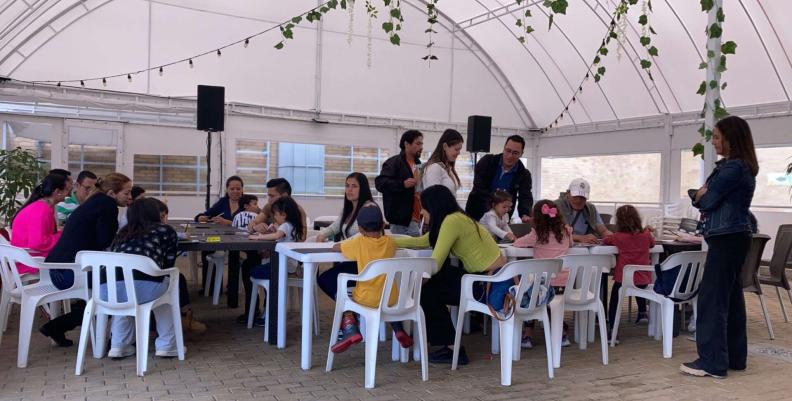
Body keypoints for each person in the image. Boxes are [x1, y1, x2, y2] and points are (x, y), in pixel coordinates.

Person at [680, 116, 758, 379]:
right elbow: (703, 195)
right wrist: (699, 193)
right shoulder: (738, 167)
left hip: (726, 238)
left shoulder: (733, 168)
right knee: (731, 299)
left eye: (716, 137)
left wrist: (700, 194)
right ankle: (735, 358)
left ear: (730, 138)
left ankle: (712, 362)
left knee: (712, 299)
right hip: (733, 237)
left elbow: (707, 200)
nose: (713, 142)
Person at [395, 185, 506, 365]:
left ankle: (452, 349)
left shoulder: (452, 221)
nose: (421, 211)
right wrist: (383, 240)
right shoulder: (458, 218)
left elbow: (436, 263)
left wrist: (415, 285)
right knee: (435, 283)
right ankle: (449, 345)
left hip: (485, 286)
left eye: (423, 206)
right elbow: (422, 241)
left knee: (428, 290)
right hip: (491, 279)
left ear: (434, 206)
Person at [39, 173, 133, 347]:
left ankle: (57, 327)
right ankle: (119, 339)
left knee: (112, 286)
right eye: (126, 193)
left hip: (58, 269)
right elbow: (104, 241)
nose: (130, 197)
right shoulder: (107, 205)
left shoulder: (94, 202)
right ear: (112, 193)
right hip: (70, 273)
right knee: (119, 285)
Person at [105, 198, 190, 358]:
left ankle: (119, 345)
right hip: (145, 287)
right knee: (168, 288)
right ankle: (167, 345)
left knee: (125, 292)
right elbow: (167, 264)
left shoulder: (122, 234)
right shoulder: (165, 230)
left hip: (106, 290)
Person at [329, 203, 413, 353]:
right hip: (392, 299)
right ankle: (398, 327)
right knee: (385, 298)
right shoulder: (390, 243)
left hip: (366, 299)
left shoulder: (358, 242)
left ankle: (350, 329)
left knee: (343, 296)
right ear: (382, 225)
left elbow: (337, 247)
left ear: (360, 229)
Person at [513, 199, 574, 349]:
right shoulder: (566, 230)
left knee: (530, 293)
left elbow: (517, 243)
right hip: (564, 284)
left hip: (543, 287)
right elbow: (571, 244)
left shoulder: (537, 234)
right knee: (547, 299)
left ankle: (528, 335)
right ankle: (561, 334)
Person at [246, 197, 305, 326]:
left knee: (253, 270)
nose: (274, 217)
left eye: (276, 215)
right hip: (290, 265)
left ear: (283, 214)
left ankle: (268, 313)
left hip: (282, 266)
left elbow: (277, 236)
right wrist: (273, 229)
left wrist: (259, 237)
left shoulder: (285, 225)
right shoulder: (293, 225)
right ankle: (268, 312)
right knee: (261, 267)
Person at [316, 173, 374, 300]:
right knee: (325, 279)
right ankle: (350, 312)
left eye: (354, 186)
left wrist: (342, 244)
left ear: (363, 188)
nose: (349, 190)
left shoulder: (369, 207)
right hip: (352, 259)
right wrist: (321, 235)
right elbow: (335, 226)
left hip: (366, 263)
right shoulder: (348, 208)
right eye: (347, 186)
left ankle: (349, 311)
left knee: (327, 280)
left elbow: (364, 235)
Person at [603, 205, 655, 339]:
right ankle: (642, 312)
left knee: (614, 300)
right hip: (644, 279)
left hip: (624, 280)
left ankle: (612, 331)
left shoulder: (618, 237)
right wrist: (647, 231)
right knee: (639, 286)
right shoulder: (646, 235)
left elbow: (606, 240)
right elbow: (652, 243)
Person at [194, 176, 244, 306]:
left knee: (234, 255)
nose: (235, 191)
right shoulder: (222, 202)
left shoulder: (247, 203)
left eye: (238, 188)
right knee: (206, 247)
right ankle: (209, 288)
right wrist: (201, 217)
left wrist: (229, 222)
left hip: (241, 240)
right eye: (232, 188)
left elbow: (252, 223)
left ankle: (232, 294)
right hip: (221, 237)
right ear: (227, 189)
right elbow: (207, 214)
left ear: (242, 190)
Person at [465, 135, 533, 223]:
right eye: (508, 151)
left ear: (521, 153)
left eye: (515, 153)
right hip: (476, 214)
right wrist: (494, 208)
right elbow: (479, 188)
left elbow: (525, 196)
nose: (510, 156)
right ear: (504, 148)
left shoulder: (524, 174)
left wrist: (525, 214)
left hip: (502, 218)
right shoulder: (486, 162)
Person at [10, 174, 69, 274]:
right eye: (67, 190)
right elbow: (37, 243)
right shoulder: (41, 209)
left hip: (27, 259)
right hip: (30, 263)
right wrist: (61, 234)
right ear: (57, 192)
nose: (69, 194)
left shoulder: (41, 206)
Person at [375, 130, 423, 236]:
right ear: (406, 144)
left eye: (422, 144)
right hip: (401, 221)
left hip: (417, 218)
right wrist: (402, 184)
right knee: (407, 251)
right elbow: (380, 183)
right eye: (418, 144)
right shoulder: (393, 163)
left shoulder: (419, 165)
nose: (421, 147)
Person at [554, 178, 613, 243]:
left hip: (584, 248)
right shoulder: (555, 206)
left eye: (582, 197)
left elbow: (603, 231)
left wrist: (615, 238)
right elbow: (552, 233)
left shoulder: (591, 208)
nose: (578, 200)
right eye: (576, 196)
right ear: (568, 193)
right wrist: (580, 238)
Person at [422, 129, 464, 197]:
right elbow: (433, 198)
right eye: (456, 149)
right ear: (445, 146)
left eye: (460, 149)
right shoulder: (435, 168)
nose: (459, 153)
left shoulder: (447, 168)